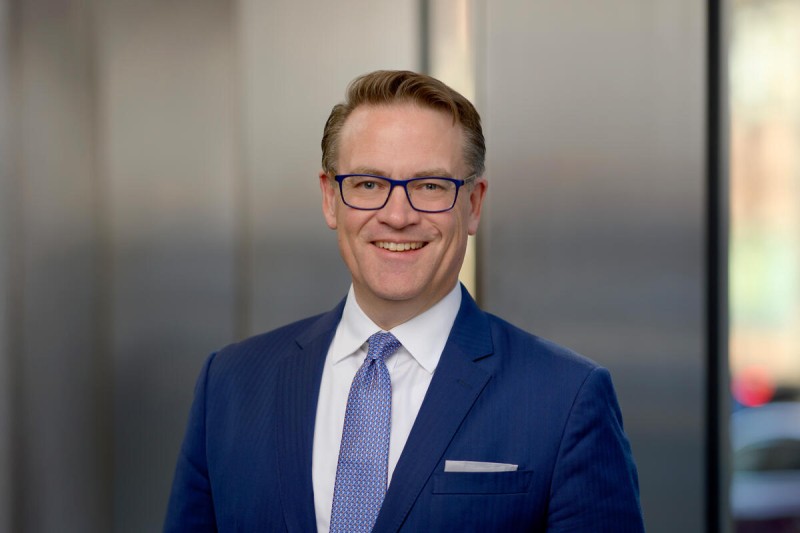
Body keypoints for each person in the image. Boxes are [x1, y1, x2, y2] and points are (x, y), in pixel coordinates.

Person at [164, 70, 645, 532]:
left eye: (430, 186)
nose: (397, 215)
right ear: (330, 198)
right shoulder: (230, 384)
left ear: (473, 204)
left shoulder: (566, 398)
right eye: (369, 184)